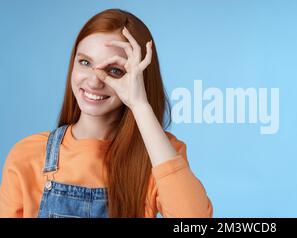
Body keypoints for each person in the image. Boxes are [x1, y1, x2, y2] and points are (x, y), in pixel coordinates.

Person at [0, 8, 213, 218]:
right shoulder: (27, 155)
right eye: (85, 62)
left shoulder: (159, 154)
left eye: (115, 70)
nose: (94, 81)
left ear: (139, 78)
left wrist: (140, 105)